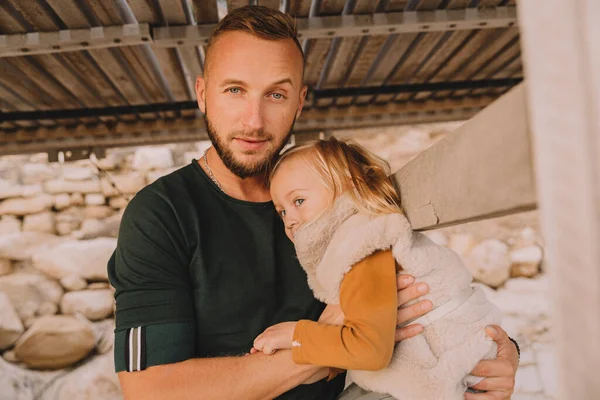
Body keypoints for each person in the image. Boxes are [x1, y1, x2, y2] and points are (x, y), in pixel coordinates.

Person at [108, 5, 519, 400]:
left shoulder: (336, 194)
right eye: (235, 90)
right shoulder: (161, 214)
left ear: (300, 100)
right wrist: (326, 349)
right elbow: (149, 390)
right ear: (202, 93)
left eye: (276, 95)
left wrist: (500, 355)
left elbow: (432, 290)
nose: (253, 120)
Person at [253, 138, 503, 399]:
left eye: (299, 201)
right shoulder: (359, 235)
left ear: (348, 186)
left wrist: (298, 336)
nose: (290, 220)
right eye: (281, 211)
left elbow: (371, 350)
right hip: (446, 361)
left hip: (436, 370)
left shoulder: (362, 245)